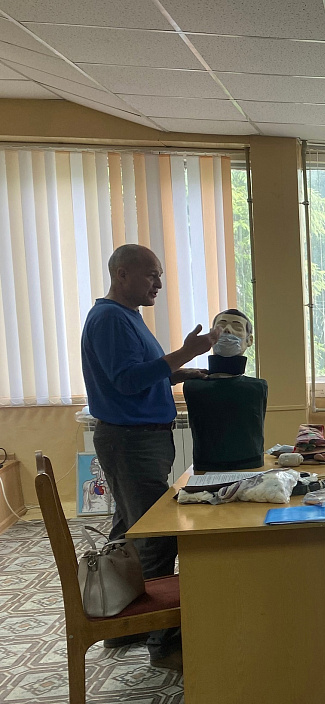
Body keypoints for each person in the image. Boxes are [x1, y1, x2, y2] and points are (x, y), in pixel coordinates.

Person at [80, 244, 219, 670]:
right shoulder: (109, 318)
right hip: (131, 440)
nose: (158, 283)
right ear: (121, 274)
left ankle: (121, 624)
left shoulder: (128, 316)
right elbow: (126, 381)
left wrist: (177, 373)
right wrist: (186, 352)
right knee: (157, 535)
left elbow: (139, 375)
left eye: (159, 275)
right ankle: (164, 644)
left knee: (129, 530)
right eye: (151, 274)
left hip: (140, 438)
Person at [183, 309, 269, 472]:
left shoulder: (257, 387)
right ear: (211, 335)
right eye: (221, 326)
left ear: (249, 340)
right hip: (206, 466)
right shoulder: (193, 386)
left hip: (249, 464)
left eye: (237, 327)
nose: (228, 330)